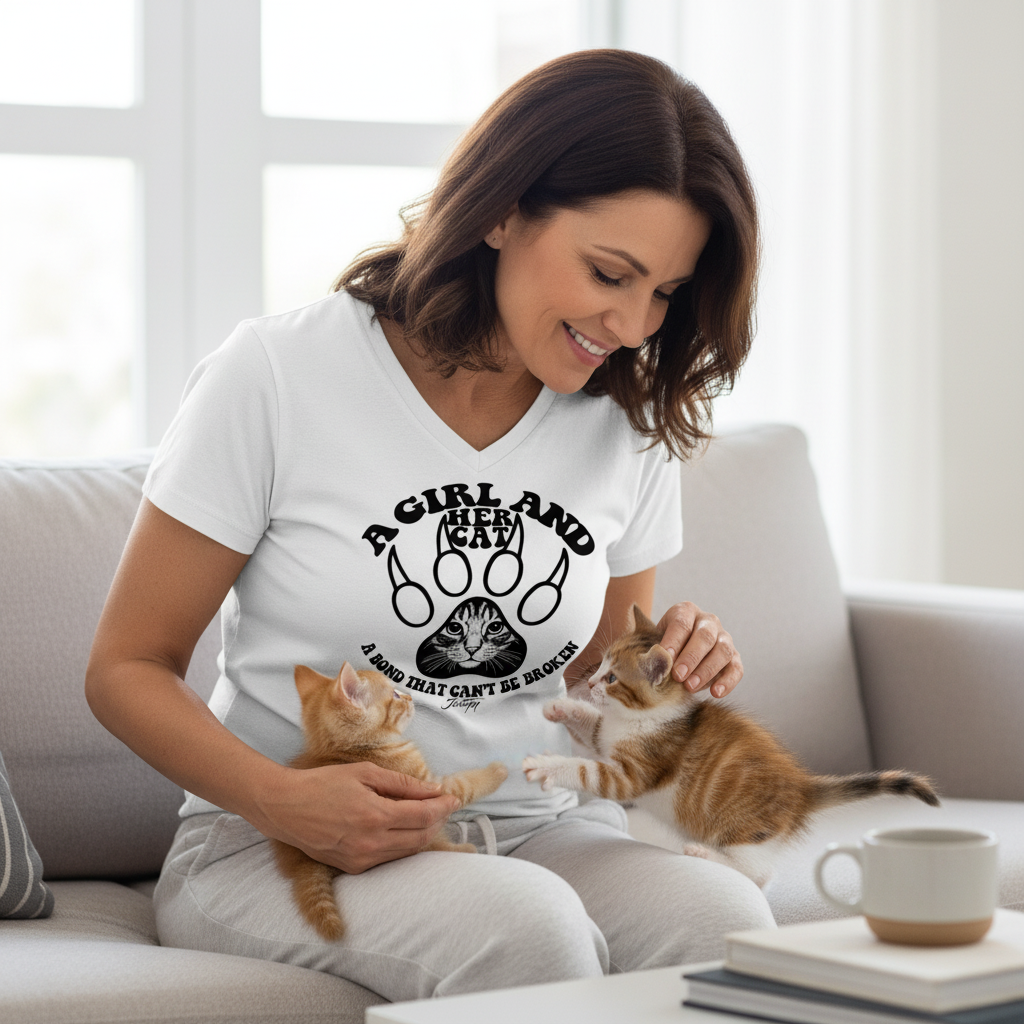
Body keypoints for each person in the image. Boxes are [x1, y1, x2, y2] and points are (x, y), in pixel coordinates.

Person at [85, 49, 775, 1003]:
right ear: (500, 209)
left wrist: (665, 669)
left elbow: (598, 682)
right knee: (529, 936)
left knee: (728, 927)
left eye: (664, 293)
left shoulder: (626, 420)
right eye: (610, 273)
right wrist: (284, 799)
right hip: (275, 844)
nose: (632, 323)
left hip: (541, 825)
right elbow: (125, 667)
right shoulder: (279, 376)